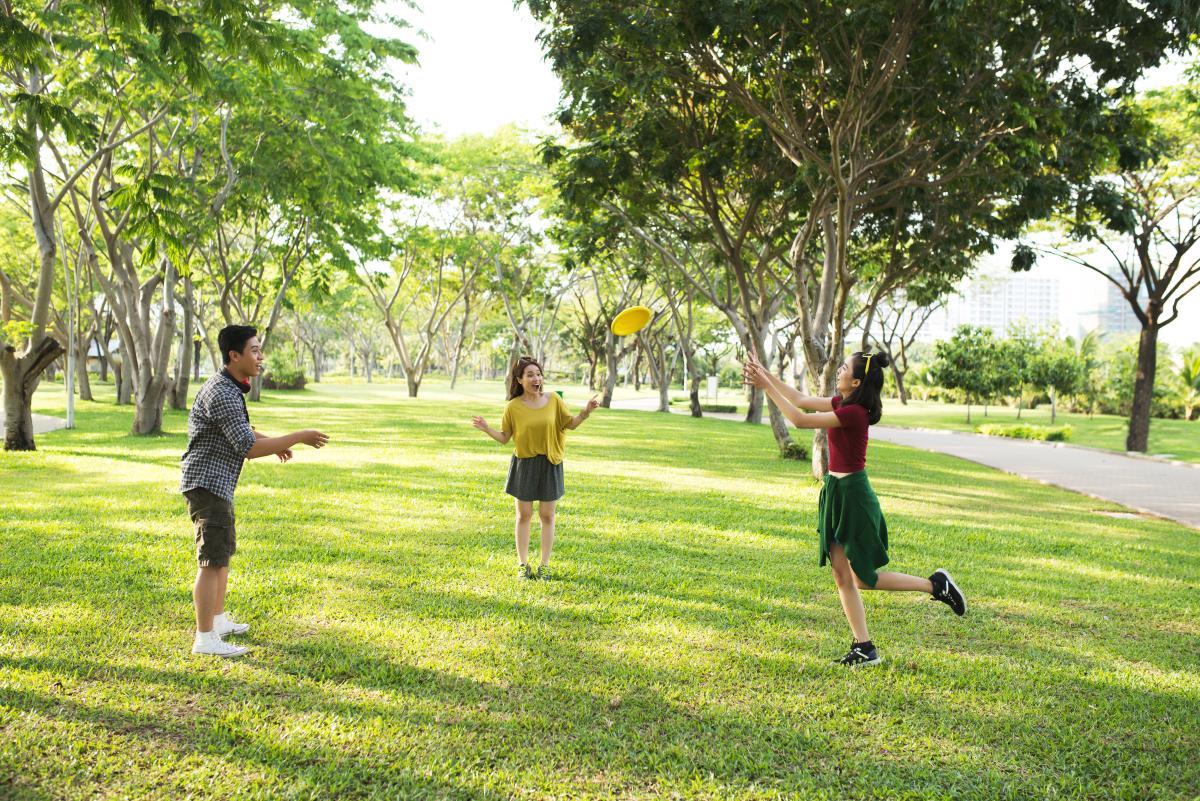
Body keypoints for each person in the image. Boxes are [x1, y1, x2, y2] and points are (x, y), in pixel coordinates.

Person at [743, 349, 966, 667]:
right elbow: (801, 400)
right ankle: (864, 648)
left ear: (857, 381)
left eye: (844, 368)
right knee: (841, 575)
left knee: (864, 578)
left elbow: (800, 419)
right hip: (835, 491)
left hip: (854, 496)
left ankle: (935, 585)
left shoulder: (855, 413)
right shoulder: (842, 404)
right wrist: (766, 375)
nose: (839, 370)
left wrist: (765, 386)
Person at [180, 324, 329, 657]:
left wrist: (272, 442)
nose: (261, 357)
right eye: (255, 350)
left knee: (221, 556)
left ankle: (217, 621)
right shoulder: (222, 391)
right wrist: (298, 436)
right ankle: (205, 638)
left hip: (216, 484)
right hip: (207, 484)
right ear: (235, 356)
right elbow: (246, 446)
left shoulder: (228, 388)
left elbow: (243, 429)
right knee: (210, 560)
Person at [471, 356, 600, 580]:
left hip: (550, 462)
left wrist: (586, 411)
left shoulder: (554, 400)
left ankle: (545, 565)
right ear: (520, 380)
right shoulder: (513, 407)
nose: (536, 378)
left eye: (538, 374)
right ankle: (523, 565)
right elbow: (504, 438)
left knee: (547, 516)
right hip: (524, 464)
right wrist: (486, 428)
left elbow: (570, 424)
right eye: (530, 375)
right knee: (524, 515)